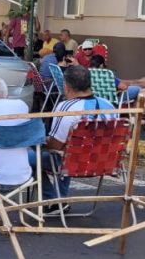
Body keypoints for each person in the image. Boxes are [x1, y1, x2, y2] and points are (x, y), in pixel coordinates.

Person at [34, 65, 115, 203]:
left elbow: (56, 145)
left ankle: (52, 200)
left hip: (74, 163)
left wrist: (39, 141)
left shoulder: (67, 107)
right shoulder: (109, 105)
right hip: (105, 162)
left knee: (30, 158)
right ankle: (59, 199)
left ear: (66, 86)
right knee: (72, 148)